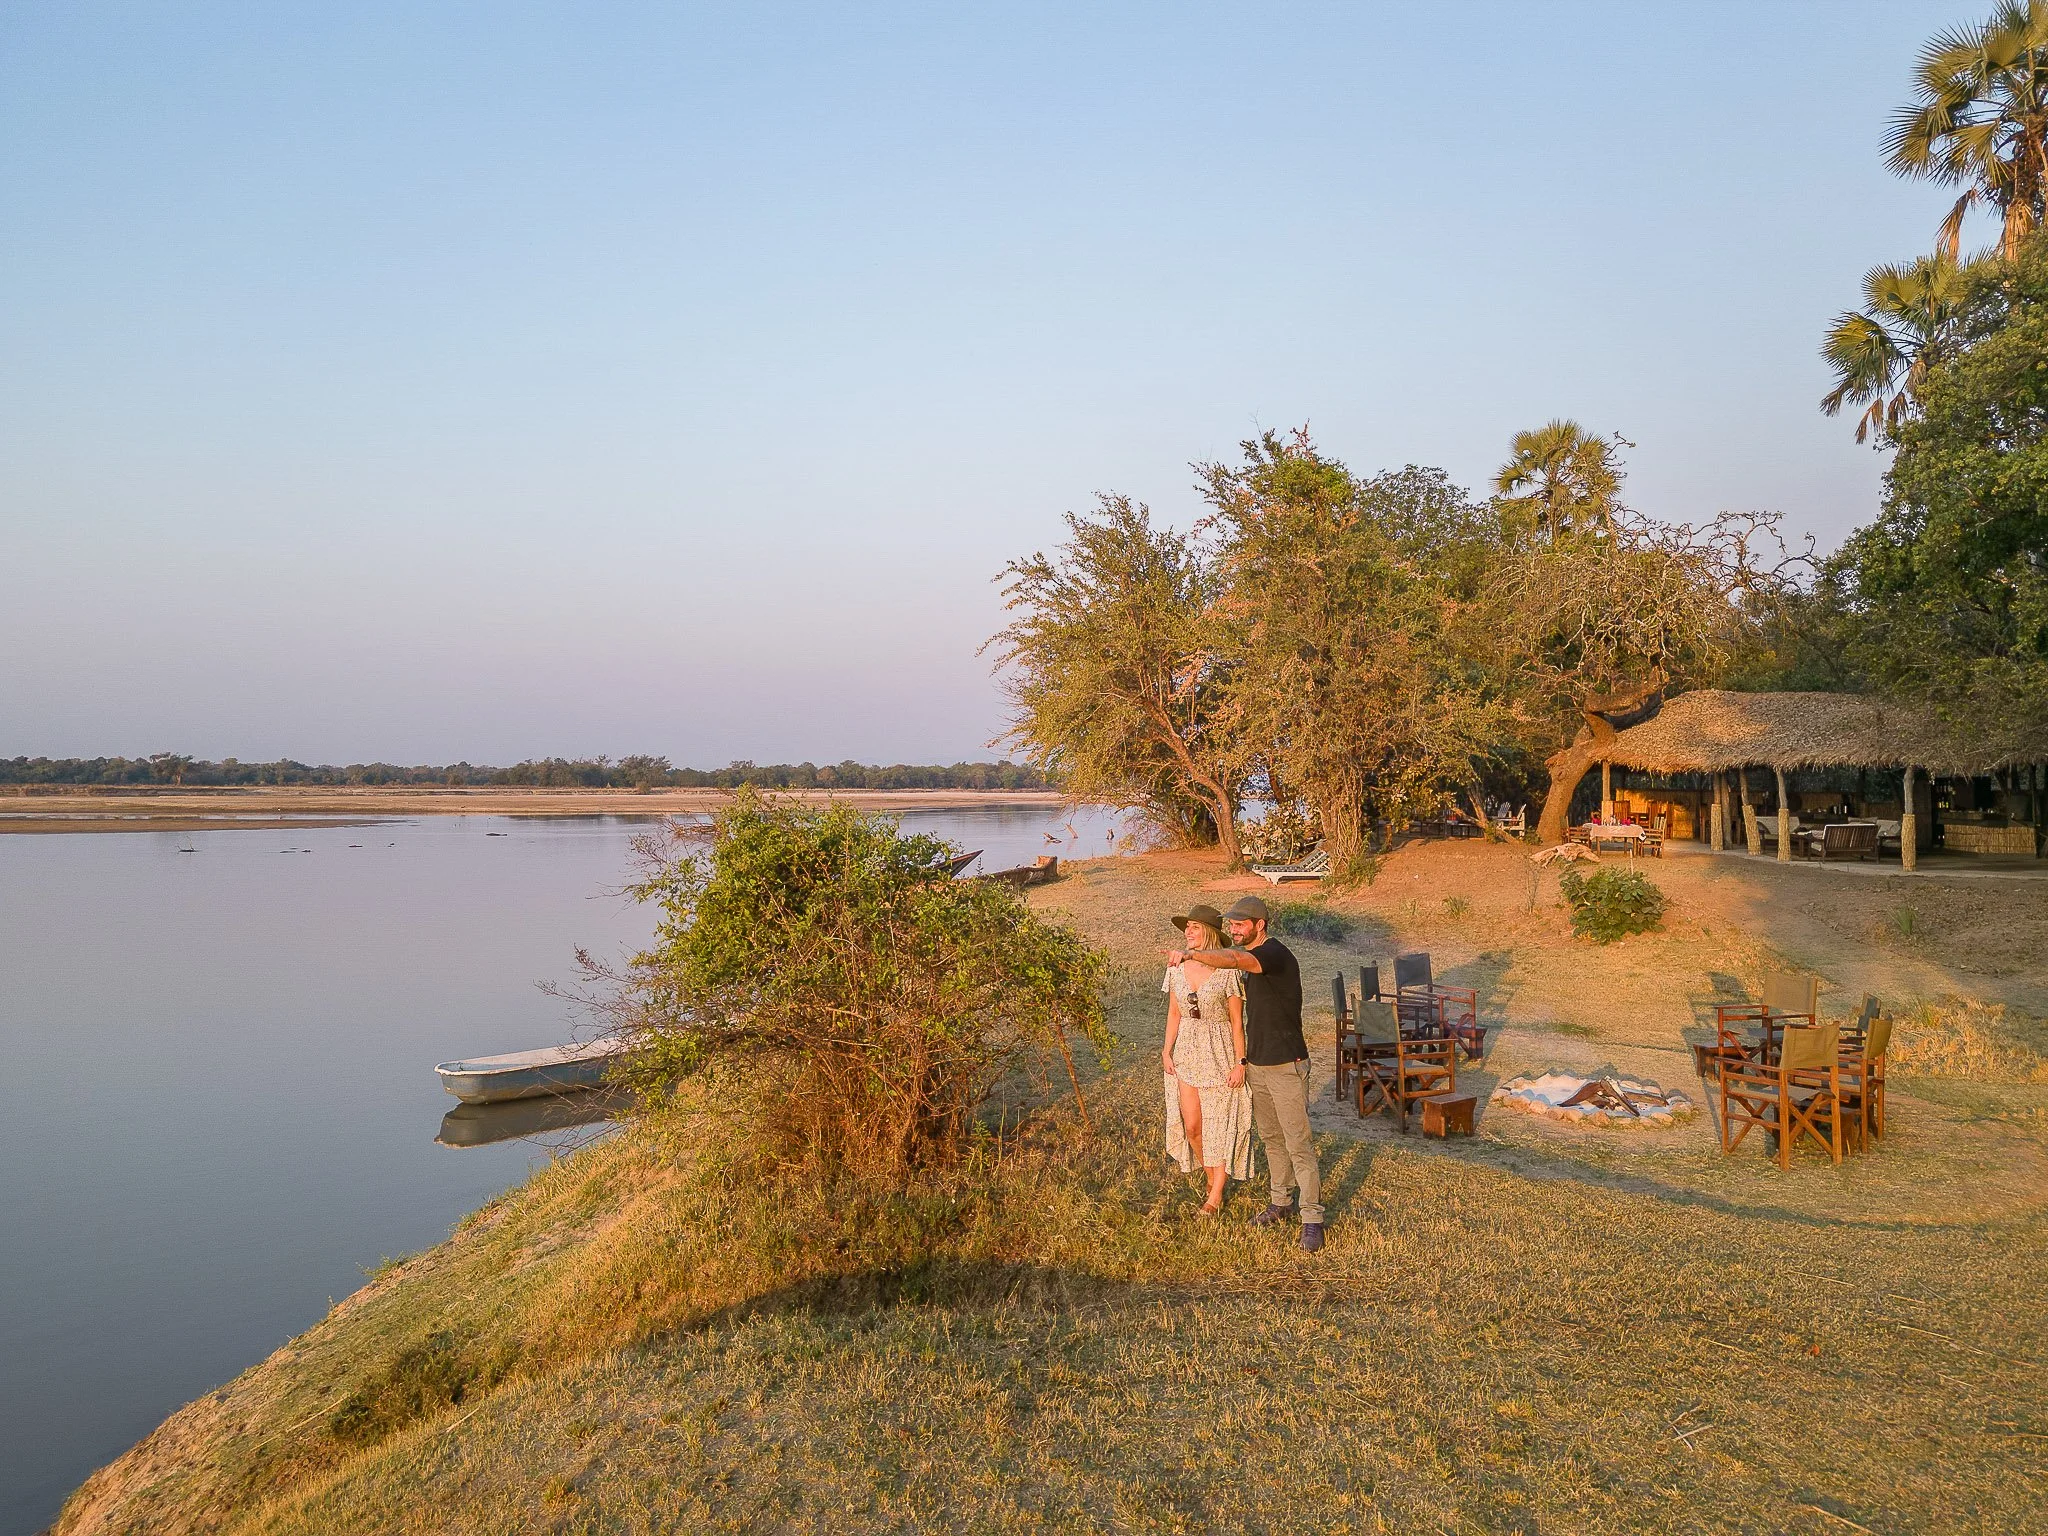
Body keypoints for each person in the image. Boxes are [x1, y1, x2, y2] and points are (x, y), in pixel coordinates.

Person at [1170, 894, 1323, 1251]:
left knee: (1298, 1143)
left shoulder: (1273, 955)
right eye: (1232, 925)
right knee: (1271, 1138)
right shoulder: (1250, 962)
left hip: (1287, 1064)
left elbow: (1236, 958)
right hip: (1258, 1063)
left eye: (1240, 925)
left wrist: (1192, 954)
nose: (1234, 930)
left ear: (1260, 925)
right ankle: (1280, 1202)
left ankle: (1312, 1217)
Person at [1160, 904, 1252, 1214]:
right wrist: (1166, 1049)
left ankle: (1214, 1195)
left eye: (1194, 927)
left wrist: (1240, 1062)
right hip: (1187, 1050)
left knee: (1219, 1127)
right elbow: (1174, 1011)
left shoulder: (1229, 972)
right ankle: (1214, 1179)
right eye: (1186, 927)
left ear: (1209, 933)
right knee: (1193, 1127)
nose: (1187, 932)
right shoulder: (1176, 969)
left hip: (1219, 1052)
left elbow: (1238, 1022)